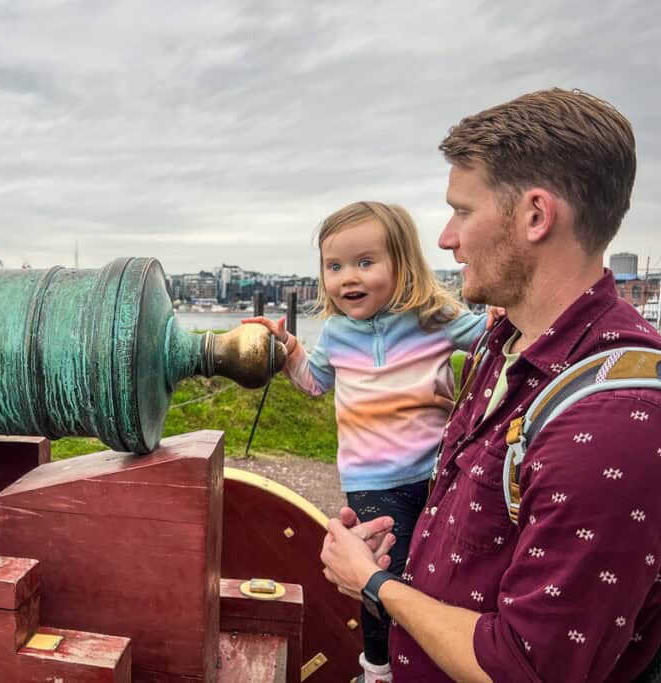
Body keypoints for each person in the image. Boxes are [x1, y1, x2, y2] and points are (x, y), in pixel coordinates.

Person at [320, 88, 661, 682]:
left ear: (535, 215)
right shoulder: (506, 338)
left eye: (463, 211)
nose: (448, 239)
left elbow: (529, 668)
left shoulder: (613, 421)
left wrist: (372, 581)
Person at [244, 200, 490, 683]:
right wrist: (291, 348)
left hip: (438, 475)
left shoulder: (432, 317)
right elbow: (314, 382)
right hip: (372, 483)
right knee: (381, 579)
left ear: (403, 265)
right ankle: (378, 668)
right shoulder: (336, 332)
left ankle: (435, 660)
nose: (348, 278)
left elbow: (487, 338)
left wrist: (506, 314)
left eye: (365, 262)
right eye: (334, 267)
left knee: (440, 575)